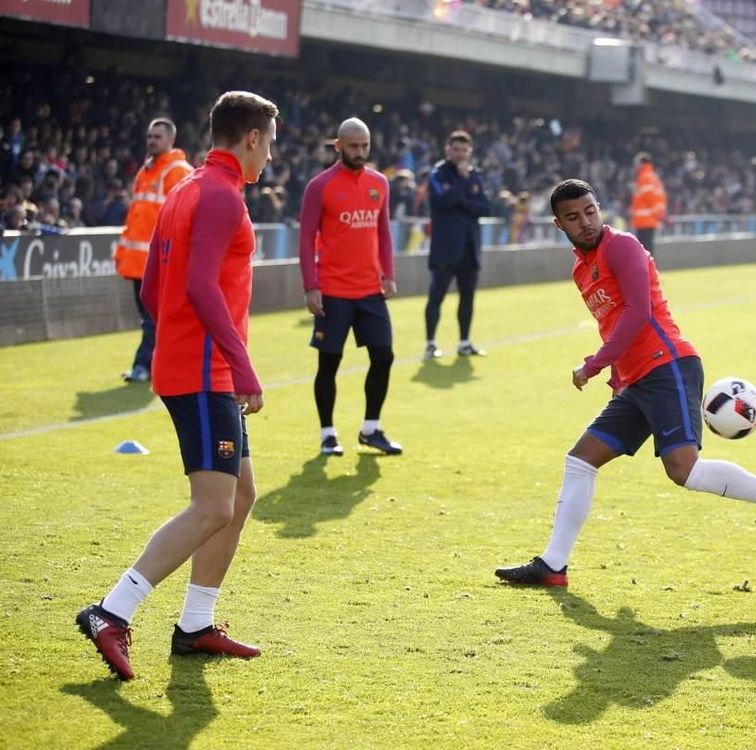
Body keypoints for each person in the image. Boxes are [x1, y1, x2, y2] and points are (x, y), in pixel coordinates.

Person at [494, 179, 756, 587]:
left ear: (599, 208)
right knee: (580, 460)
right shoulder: (580, 269)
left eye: (590, 211)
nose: (585, 222)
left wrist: (594, 364)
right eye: (573, 217)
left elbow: (639, 313)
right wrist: (617, 375)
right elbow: (611, 322)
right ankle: (554, 565)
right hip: (638, 378)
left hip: (669, 367)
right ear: (559, 225)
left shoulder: (621, 246)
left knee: (684, 471)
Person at [76, 91, 279, 681]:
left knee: (239, 498)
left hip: (190, 363)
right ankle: (112, 610)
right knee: (212, 504)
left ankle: (195, 626)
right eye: (269, 141)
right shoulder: (218, 195)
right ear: (251, 138)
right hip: (205, 371)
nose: (270, 154)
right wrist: (239, 364)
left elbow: (151, 292)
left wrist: (184, 346)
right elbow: (199, 286)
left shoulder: (183, 188)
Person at [299, 118, 401, 457]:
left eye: (365, 145)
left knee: (384, 356)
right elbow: (305, 238)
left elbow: (383, 232)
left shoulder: (379, 183)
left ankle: (371, 428)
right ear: (338, 146)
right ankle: (327, 434)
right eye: (354, 146)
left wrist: (388, 273)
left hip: (370, 289)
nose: (360, 152)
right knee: (329, 363)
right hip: (332, 290)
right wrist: (311, 286)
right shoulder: (320, 186)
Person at [114, 118, 193, 382]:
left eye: (157, 137)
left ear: (171, 139)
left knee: (151, 318)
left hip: (160, 261)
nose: (151, 141)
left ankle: (143, 366)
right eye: (149, 136)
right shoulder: (146, 171)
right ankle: (165, 363)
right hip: (139, 262)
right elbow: (135, 217)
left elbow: (182, 218)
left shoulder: (177, 171)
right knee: (151, 318)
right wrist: (122, 254)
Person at [424, 130, 489, 360]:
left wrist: (461, 200)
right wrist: (461, 185)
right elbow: (443, 201)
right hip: (445, 248)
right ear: (448, 150)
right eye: (456, 149)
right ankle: (431, 343)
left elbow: (485, 208)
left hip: (470, 248)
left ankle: (464, 342)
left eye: (464, 150)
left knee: (467, 296)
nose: (460, 154)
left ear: (470, 151)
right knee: (436, 296)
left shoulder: (476, 175)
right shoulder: (438, 174)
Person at [629, 152, 667, 255]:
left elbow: (649, 198)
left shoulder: (644, 177)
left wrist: (658, 215)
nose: (635, 166)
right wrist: (659, 215)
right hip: (650, 219)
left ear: (641, 163)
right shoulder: (653, 177)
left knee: (644, 251)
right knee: (647, 250)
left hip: (644, 220)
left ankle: (648, 271)